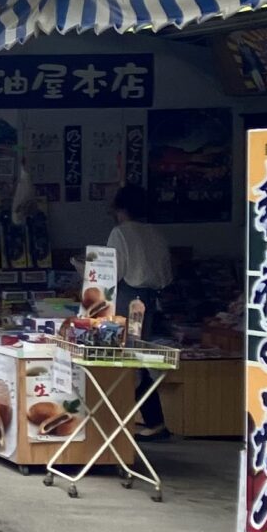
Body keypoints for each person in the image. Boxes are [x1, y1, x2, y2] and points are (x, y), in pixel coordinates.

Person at [109, 183, 173, 438]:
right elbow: (166, 273)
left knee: (125, 359)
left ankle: (145, 419)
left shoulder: (121, 233)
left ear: (120, 208)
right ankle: (153, 420)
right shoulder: (155, 233)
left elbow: (113, 272)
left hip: (127, 299)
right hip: (151, 299)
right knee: (139, 357)